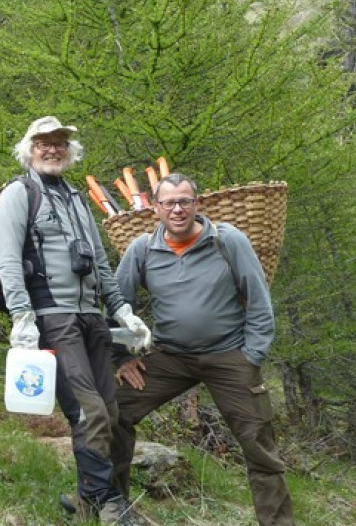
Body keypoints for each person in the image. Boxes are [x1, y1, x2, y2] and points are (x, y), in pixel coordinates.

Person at [0, 116, 151, 526]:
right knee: (89, 413)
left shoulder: (78, 198)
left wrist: (121, 311)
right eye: (43, 143)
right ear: (29, 149)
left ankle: (86, 502)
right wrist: (22, 318)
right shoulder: (18, 193)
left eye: (60, 142)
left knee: (109, 413)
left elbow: (99, 261)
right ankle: (111, 504)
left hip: (91, 318)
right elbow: (8, 261)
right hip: (51, 319)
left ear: (69, 150)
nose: (52, 149)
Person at [110, 173, 294, 526]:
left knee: (258, 442)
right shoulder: (142, 249)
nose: (177, 209)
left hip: (229, 355)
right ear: (155, 208)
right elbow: (118, 305)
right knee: (113, 409)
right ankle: (110, 505)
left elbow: (259, 300)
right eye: (168, 203)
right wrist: (122, 356)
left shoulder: (229, 241)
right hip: (170, 357)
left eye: (184, 201)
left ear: (198, 204)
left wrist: (252, 355)